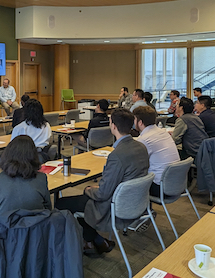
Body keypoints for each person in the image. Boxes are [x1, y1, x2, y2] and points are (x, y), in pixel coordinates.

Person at [55, 109, 149, 257]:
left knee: (62, 203)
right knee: (83, 199)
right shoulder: (141, 147)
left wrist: (88, 189)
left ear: (113, 126)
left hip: (113, 204)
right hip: (134, 201)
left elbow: (102, 193)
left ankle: (86, 241)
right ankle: (96, 240)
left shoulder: (117, 155)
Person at [0, 135, 52, 228]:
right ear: (34, 156)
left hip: (6, 237)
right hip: (37, 236)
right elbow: (48, 211)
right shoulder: (41, 178)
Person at [134, 106, 180, 197]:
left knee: (129, 179)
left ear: (140, 122)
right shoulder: (164, 133)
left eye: (134, 119)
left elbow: (135, 164)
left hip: (160, 187)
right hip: (177, 183)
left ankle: (142, 209)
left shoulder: (144, 139)